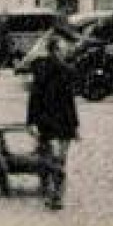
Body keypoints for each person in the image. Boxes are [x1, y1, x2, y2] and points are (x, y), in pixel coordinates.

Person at [27, 29, 80, 211]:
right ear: (55, 50)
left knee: (54, 159)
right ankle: (54, 194)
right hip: (56, 123)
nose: (66, 51)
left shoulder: (58, 70)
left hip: (51, 123)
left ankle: (54, 193)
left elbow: (36, 98)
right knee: (57, 160)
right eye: (63, 49)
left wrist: (31, 121)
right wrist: (74, 125)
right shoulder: (55, 70)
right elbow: (38, 97)